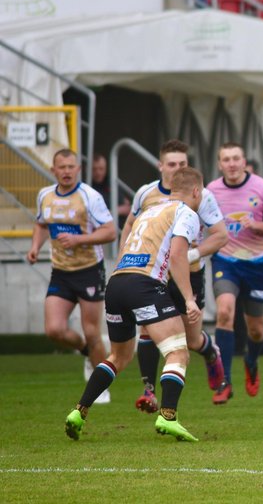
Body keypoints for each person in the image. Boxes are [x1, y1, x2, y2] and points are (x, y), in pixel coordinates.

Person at [64, 167, 206, 442]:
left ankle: (79, 411)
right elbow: (178, 256)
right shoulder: (186, 212)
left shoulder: (149, 211)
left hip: (117, 284)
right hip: (144, 285)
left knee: (119, 356)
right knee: (178, 352)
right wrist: (189, 298)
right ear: (196, 191)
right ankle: (168, 416)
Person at [119, 139, 228, 413]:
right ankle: (149, 391)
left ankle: (210, 351)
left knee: (190, 340)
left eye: (182, 163)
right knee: (147, 328)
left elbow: (221, 235)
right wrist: (123, 260)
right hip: (153, 275)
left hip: (189, 275)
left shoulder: (200, 195)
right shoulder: (145, 193)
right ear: (160, 166)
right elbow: (130, 225)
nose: (177, 168)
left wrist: (192, 254)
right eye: (172, 164)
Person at [27, 149, 117, 405]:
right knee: (54, 330)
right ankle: (86, 351)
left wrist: (79, 239)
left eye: (71, 166)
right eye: (62, 167)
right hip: (61, 272)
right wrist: (35, 247)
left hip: (89, 270)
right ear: (53, 170)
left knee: (92, 331)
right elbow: (41, 224)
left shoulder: (90, 196)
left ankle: (100, 387)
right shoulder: (45, 195)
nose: (66, 171)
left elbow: (110, 231)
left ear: (78, 169)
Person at [208, 142, 263, 404]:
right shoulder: (211, 191)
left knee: (256, 331)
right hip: (225, 262)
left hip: (255, 265)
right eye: (226, 159)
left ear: (244, 162)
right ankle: (225, 381)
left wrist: (256, 225)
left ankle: (251, 362)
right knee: (224, 312)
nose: (231, 164)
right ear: (220, 164)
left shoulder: (262, 188)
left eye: (236, 158)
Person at [89, 153, 130, 224]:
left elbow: (127, 208)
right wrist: (117, 210)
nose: (98, 172)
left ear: (106, 169)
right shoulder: (86, 187)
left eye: (101, 169)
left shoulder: (112, 183)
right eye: (94, 169)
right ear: (88, 169)